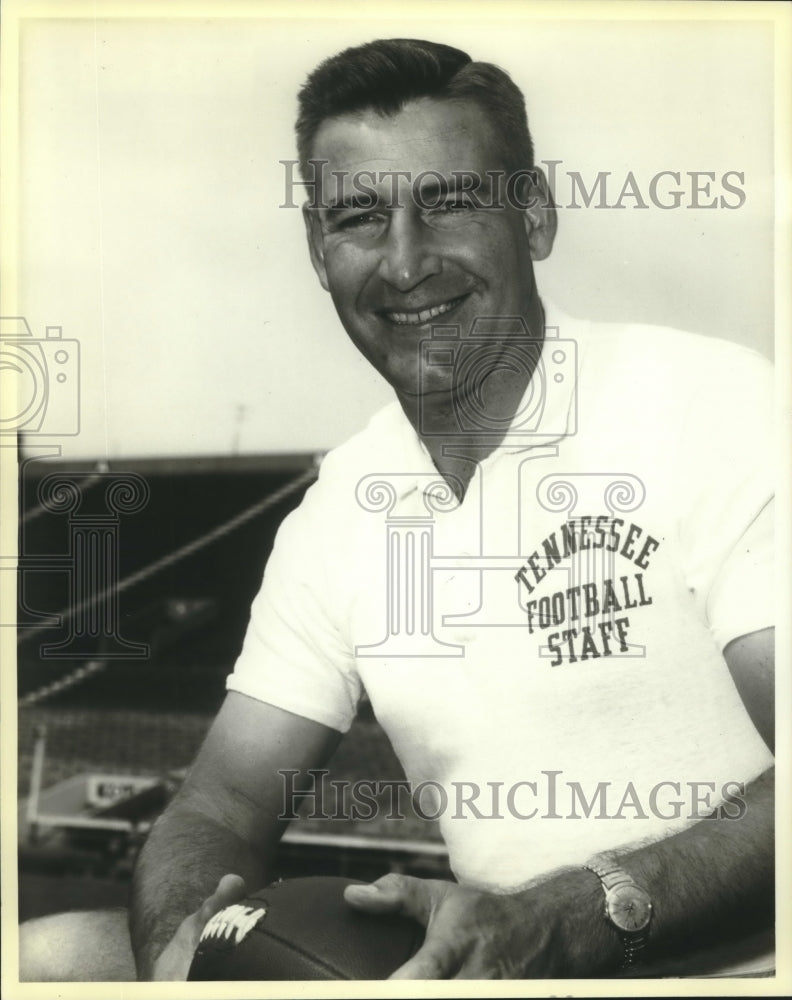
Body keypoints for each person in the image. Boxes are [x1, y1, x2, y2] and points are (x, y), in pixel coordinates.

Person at [20, 37, 774, 981]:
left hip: (736, 967)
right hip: (483, 971)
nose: (406, 263)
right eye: (361, 218)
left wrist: (572, 916)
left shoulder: (705, 403)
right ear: (317, 251)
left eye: (449, 203)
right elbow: (221, 804)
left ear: (534, 216)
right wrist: (182, 937)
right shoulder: (341, 513)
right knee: (51, 960)